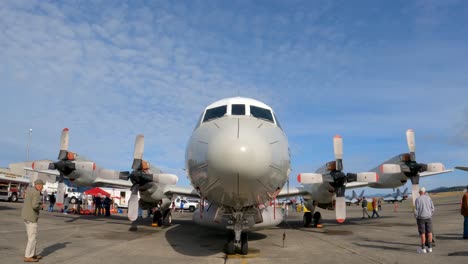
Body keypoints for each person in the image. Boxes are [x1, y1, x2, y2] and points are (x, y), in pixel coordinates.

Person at [21, 179, 44, 262]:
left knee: (32, 237)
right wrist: (41, 206)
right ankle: (28, 256)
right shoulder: (36, 193)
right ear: (38, 185)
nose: (42, 187)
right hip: (31, 217)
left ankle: (32, 254)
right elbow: (35, 206)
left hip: (26, 216)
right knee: (32, 238)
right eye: (42, 185)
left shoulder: (30, 190)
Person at [414, 187, 435, 253]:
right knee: (429, 232)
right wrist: (430, 214)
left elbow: (416, 210)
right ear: (424, 191)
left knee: (422, 233)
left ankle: (423, 248)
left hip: (421, 218)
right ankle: (430, 247)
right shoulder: (429, 198)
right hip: (428, 217)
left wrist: (416, 217)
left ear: (420, 192)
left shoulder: (417, 199)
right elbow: (433, 208)